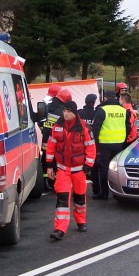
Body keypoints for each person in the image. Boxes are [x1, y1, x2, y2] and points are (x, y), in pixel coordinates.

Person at [46, 100, 96, 241]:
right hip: (62, 170)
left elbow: (91, 148)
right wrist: (49, 165)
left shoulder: (85, 128)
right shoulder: (57, 127)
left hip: (79, 170)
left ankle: (81, 221)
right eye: (64, 111)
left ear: (74, 113)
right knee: (62, 199)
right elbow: (50, 146)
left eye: (69, 111)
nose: (65, 113)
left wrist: (88, 166)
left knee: (80, 198)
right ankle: (60, 229)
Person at [92, 89, 130, 200]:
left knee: (104, 169)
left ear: (106, 98)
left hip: (104, 143)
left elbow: (96, 128)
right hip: (119, 144)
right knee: (116, 169)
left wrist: (97, 143)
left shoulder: (102, 110)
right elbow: (128, 127)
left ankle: (104, 193)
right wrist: (123, 139)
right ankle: (117, 192)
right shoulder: (123, 111)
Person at [41, 87, 71, 189]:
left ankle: (45, 184)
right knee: (56, 164)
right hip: (57, 144)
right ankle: (55, 184)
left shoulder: (47, 106)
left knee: (45, 162)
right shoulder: (62, 112)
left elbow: (41, 122)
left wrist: (44, 130)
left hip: (45, 141)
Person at [78, 93, 99, 194]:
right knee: (93, 165)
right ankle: (94, 189)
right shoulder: (96, 113)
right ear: (94, 103)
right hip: (92, 142)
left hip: (80, 142)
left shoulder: (79, 113)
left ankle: (78, 188)